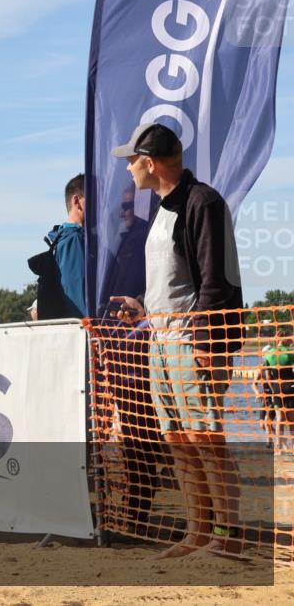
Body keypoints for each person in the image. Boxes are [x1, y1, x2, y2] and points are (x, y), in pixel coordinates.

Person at [110, 122, 244, 560]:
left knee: (205, 439)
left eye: (132, 160)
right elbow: (175, 282)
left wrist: (204, 342)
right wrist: (143, 308)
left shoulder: (202, 202)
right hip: (163, 339)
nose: (128, 167)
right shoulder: (167, 208)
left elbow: (215, 280)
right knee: (178, 441)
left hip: (190, 342)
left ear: (149, 163)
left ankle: (226, 536)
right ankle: (196, 534)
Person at [30, 173, 86, 319]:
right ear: (77, 201)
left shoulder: (61, 238)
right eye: (95, 199)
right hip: (82, 330)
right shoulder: (74, 240)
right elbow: (80, 301)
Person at [260, 326, 294, 449]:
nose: (291, 340)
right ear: (283, 338)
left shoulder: (269, 354)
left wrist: (273, 389)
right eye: (289, 338)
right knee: (291, 420)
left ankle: (278, 446)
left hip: (277, 389)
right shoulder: (289, 352)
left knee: (279, 419)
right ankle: (293, 446)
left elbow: (268, 375)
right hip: (290, 387)